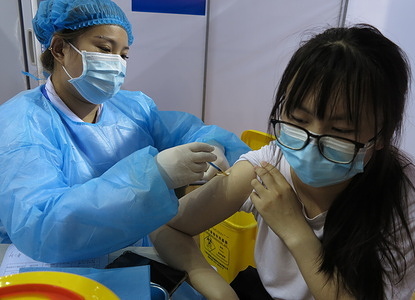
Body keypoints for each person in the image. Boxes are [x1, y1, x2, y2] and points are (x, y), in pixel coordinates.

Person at [150, 24, 415, 300]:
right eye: (298, 120)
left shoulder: (403, 194)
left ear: (382, 136)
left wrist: (295, 229)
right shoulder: (267, 166)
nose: (312, 142)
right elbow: (167, 227)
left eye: (340, 131)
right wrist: (218, 289)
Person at [0, 0, 250, 263]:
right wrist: (154, 175)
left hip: (131, 252)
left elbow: (185, 131)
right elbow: (43, 225)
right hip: (55, 265)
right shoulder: (21, 124)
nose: (116, 63)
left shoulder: (132, 108)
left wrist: (212, 145)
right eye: (105, 49)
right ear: (60, 48)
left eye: (123, 55)